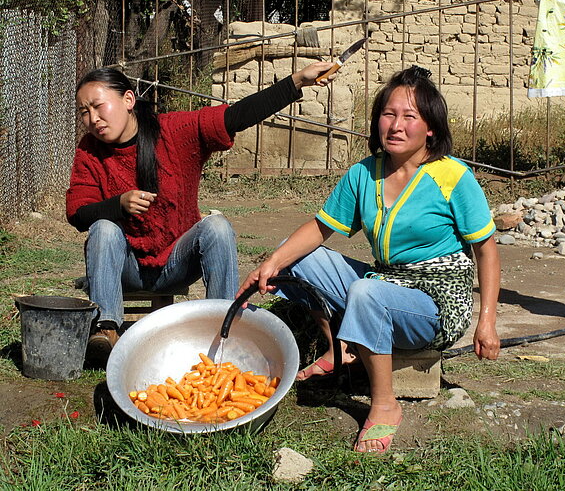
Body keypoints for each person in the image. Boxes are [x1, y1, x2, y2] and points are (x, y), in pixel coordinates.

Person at [237, 65, 501, 454]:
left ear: (430, 128)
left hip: (438, 299)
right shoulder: (365, 174)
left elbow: (486, 250)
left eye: (409, 116)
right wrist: (270, 262)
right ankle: (341, 348)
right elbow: (319, 229)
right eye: (388, 114)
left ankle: (384, 405)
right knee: (297, 259)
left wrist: (487, 323)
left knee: (367, 291)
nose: (395, 125)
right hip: (386, 280)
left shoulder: (453, 177)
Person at [66, 61, 336, 364]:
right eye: (84, 112)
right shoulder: (89, 150)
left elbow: (236, 116)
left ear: (128, 100)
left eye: (98, 106)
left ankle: (223, 327)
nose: (93, 118)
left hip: (176, 264)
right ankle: (106, 330)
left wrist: (297, 81)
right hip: (125, 269)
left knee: (216, 226)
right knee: (103, 228)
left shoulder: (174, 131)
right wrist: (118, 204)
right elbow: (77, 213)